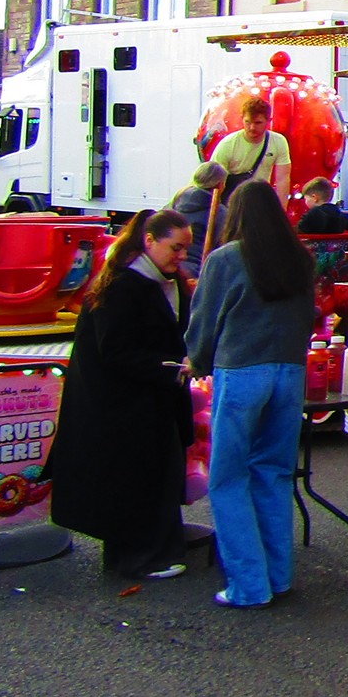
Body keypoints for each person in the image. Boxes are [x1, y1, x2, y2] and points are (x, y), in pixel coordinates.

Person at [185, 180, 317, 609]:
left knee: (227, 477)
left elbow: (204, 321)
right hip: (290, 371)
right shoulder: (298, 258)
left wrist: (197, 361)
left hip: (242, 371)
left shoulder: (225, 258)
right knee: (274, 474)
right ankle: (278, 577)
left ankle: (248, 585)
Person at [48, 209, 196, 580]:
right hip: (123, 404)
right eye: (175, 247)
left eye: (184, 249)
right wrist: (170, 368)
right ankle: (137, 558)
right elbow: (113, 350)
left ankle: (156, 551)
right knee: (134, 480)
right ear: (149, 241)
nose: (181, 256)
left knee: (157, 476)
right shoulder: (118, 286)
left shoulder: (168, 281)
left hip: (153, 398)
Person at [206, 96, 292, 208]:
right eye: (248, 122)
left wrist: (281, 212)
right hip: (231, 204)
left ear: (269, 121)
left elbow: (282, 180)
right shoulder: (228, 144)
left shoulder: (278, 141)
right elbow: (214, 182)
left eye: (258, 123)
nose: (252, 127)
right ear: (242, 119)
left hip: (259, 202)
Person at [171, 162, 227, 272]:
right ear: (220, 185)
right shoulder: (220, 213)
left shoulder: (177, 199)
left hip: (173, 263)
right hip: (198, 270)